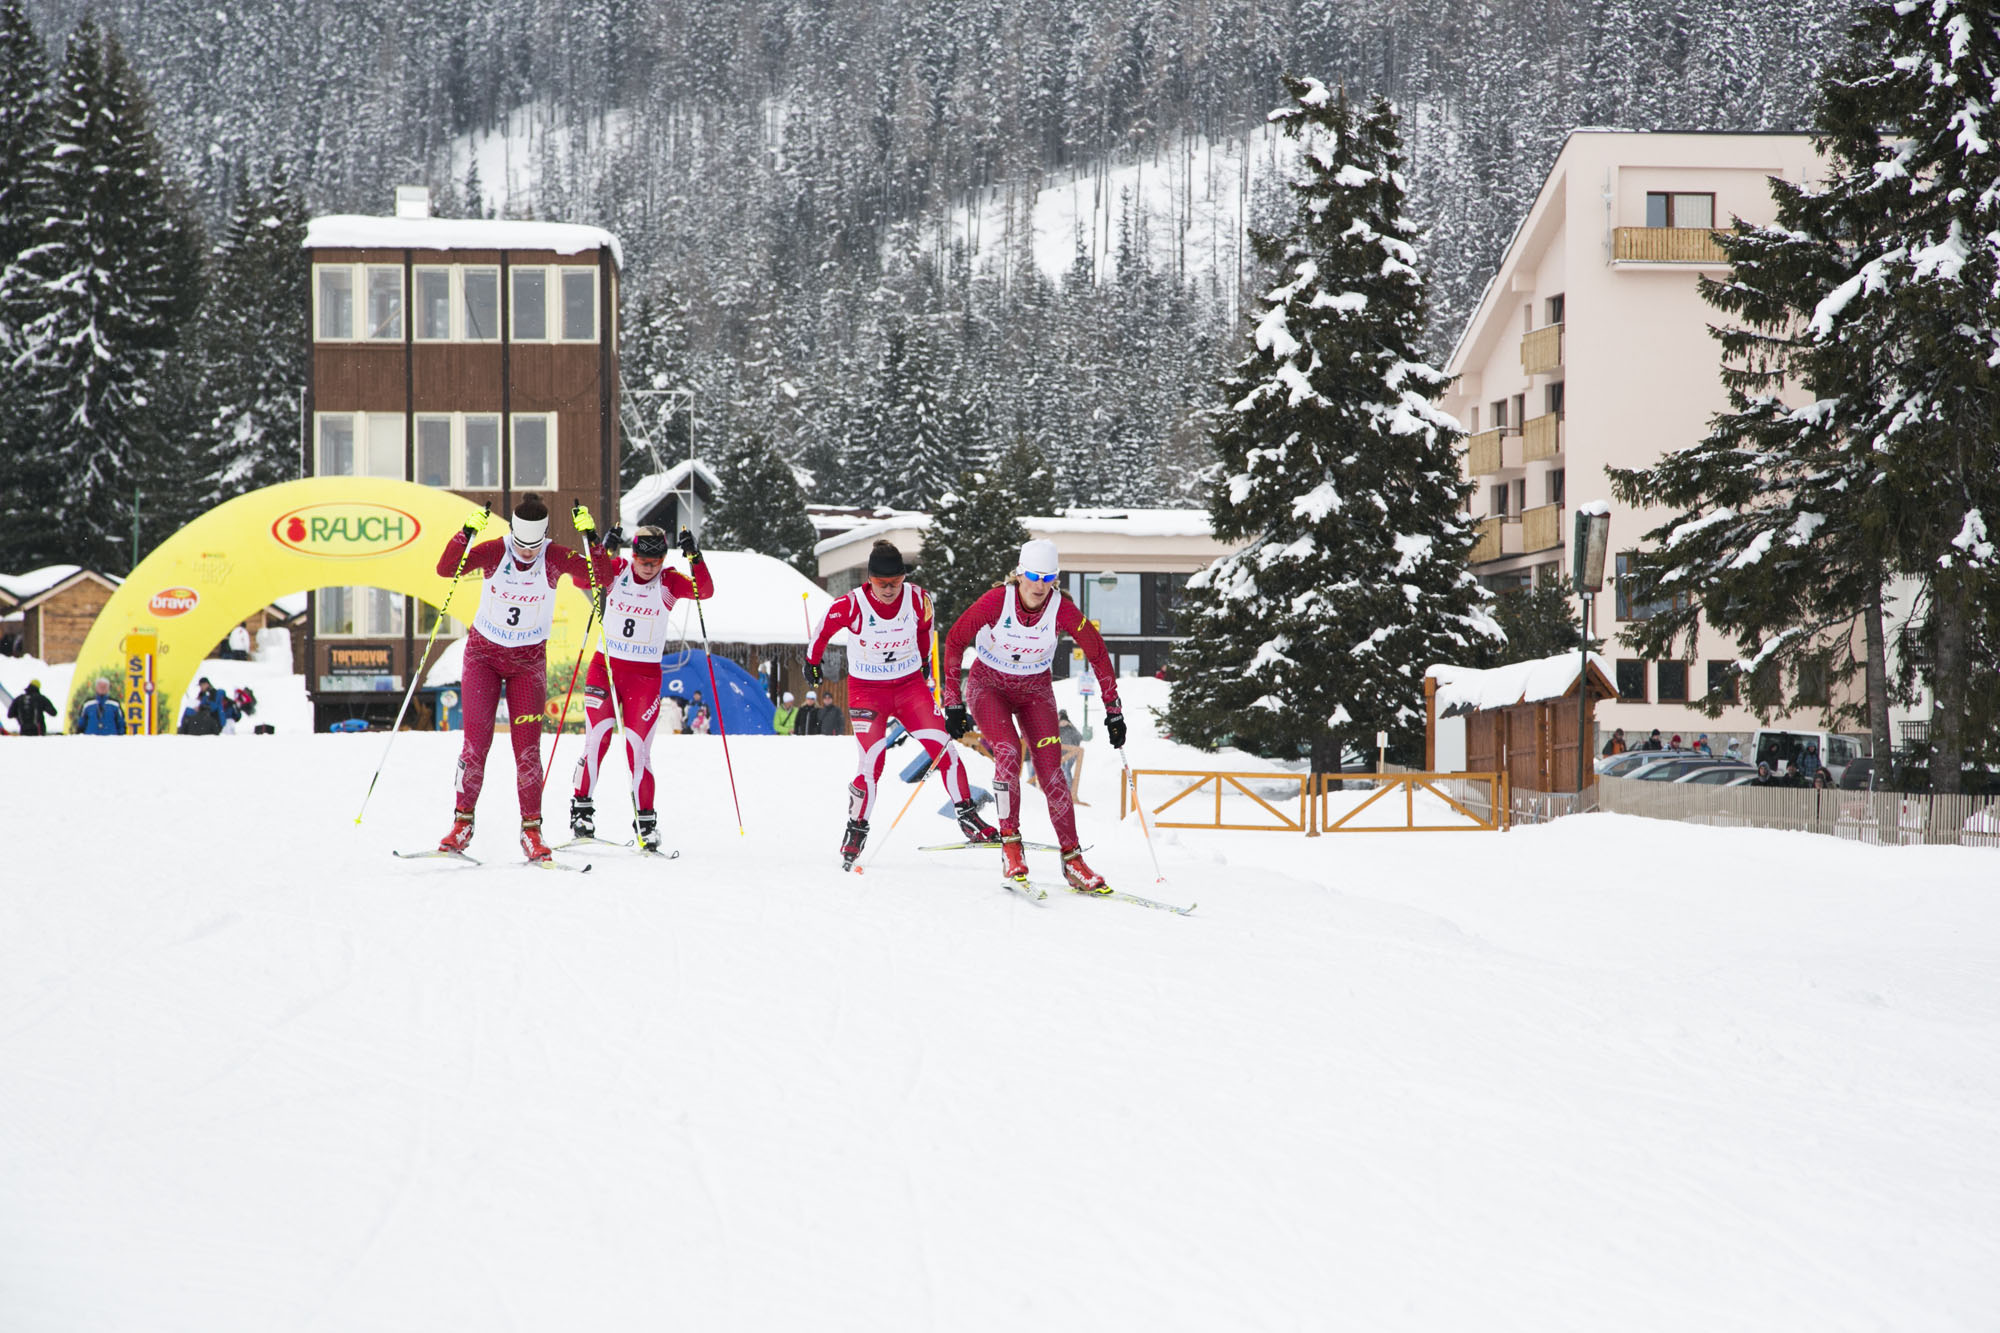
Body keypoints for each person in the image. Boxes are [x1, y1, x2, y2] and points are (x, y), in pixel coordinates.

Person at [941, 538, 1123, 892]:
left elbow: (1097, 652)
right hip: (988, 685)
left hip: (1034, 690)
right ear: (1020, 574)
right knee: (1008, 751)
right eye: (1033, 576)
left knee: (1053, 772)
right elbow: (954, 640)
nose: (1040, 585)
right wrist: (953, 702)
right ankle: (1011, 846)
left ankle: (1073, 861)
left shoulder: (1061, 609)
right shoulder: (996, 602)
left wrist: (1114, 710)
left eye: (1049, 577)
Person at [805, 539, 994, 868]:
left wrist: (923, 661)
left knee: (944, 750)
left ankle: (967, 817)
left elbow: (925, 631)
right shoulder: (851, 605)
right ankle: (856, 829)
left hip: (909, 689)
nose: (890, 589)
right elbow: (821, 632)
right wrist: (812, 663)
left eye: (896, 582)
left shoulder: (918, 599)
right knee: (871, 763)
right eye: (882, 583)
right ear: (870, 579)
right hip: (868, 693)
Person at [434, 494, 600, 862]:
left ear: (545, 538)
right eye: (522, 545)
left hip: (528, 663)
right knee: (476, 745)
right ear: (512, 534)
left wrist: (594, 538)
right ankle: (462, 824)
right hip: (483, 657)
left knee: (527, 752)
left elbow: (600, 578)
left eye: (534, 546)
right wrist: (465, 534)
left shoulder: (555, 557)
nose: (527, 553)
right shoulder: (495, 550)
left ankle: (531, 831)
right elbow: (446, 569)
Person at [567, 522, 714, 852]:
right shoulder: (616, 569)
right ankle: (581, 811)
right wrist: (603, 549)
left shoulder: (669, 581)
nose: (649, 569)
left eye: (655, 562)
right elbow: (582, 579)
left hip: (645, 677)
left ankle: (646, 824)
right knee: (597, 739)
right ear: (632, 556)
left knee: (639, 749)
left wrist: (694, 556)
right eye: (644, 562)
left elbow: (704, 592)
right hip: (605, 668)